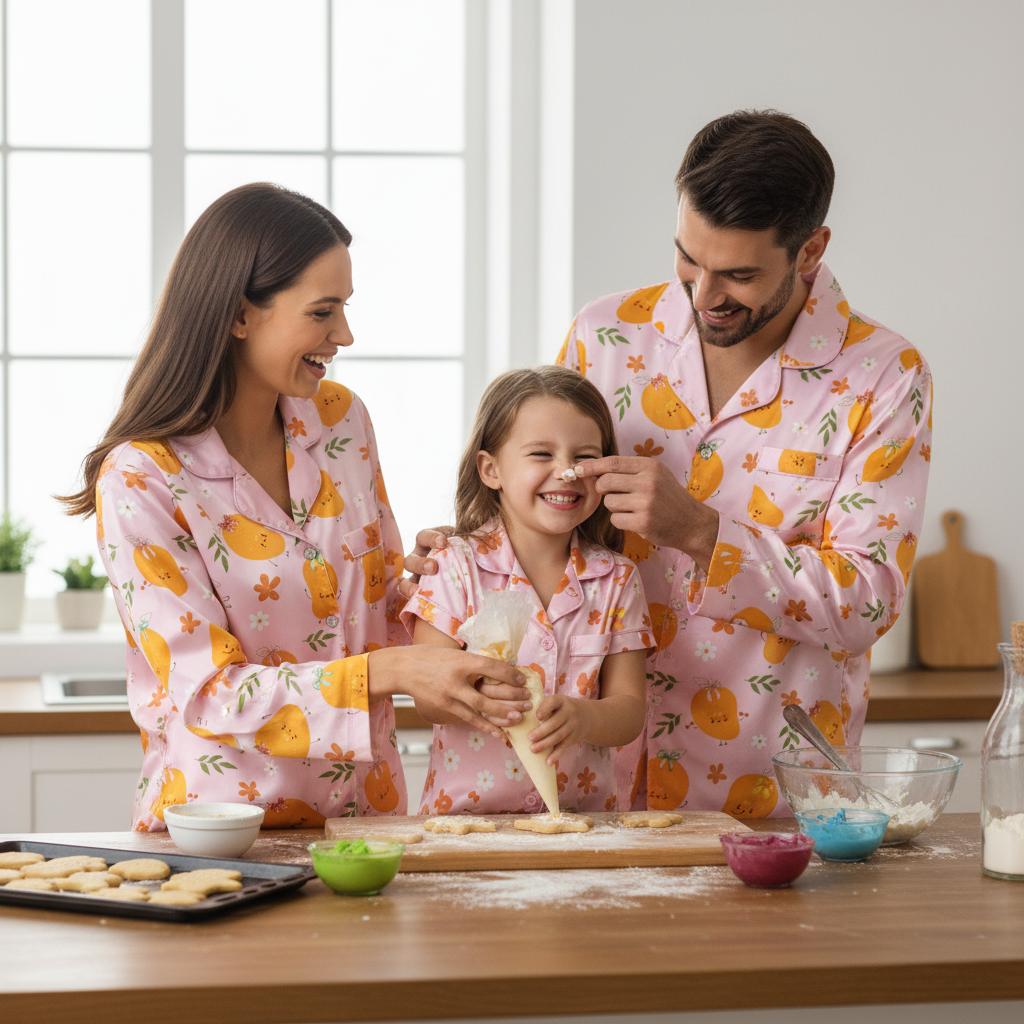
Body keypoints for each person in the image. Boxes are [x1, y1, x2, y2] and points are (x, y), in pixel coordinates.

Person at [406, 110, 933, 818]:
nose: (703, 295)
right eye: (689, 259)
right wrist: (468, 547)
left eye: (739, 275)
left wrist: (703, 533)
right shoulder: (607, 334)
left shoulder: (883, 376)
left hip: (771, 780)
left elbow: (868, 601)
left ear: (810, 251)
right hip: (596, 790)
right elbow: (556, 508)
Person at [61, 183, 530, 831]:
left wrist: (425, 588)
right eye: (322, 312)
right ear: (239, 315)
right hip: (223, 833)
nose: (345, 334)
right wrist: (392, 668)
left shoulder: (342, 421)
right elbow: (206, 693)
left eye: (345, 308)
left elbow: (366, 616)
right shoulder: (143, 478)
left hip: (366, 820)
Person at [401, 367, 652, 815]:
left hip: (586, 826)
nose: (568, 472)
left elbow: (630, 711)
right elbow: (427, 700)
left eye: (584, 456)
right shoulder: (452, 566)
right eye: (541, 453)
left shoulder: (617, 579)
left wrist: (585, 718)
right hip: (467, 826)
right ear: (491, 469)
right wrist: (478, 693)